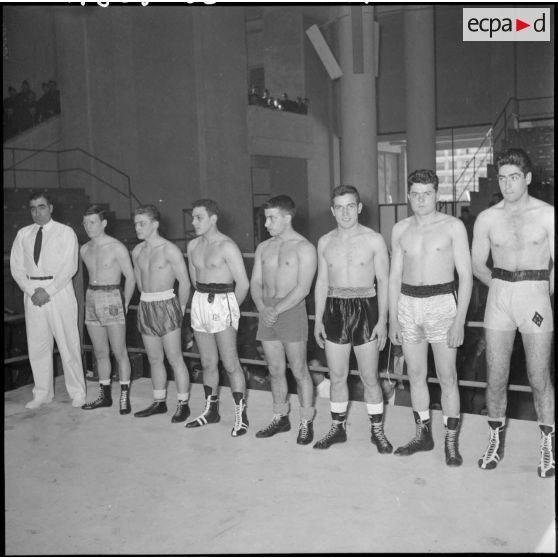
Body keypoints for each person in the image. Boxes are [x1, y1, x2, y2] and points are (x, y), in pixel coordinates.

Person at [472, 148, 554, 478]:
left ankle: (548, 446)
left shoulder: (547, 214)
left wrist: (541, 293)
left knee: (538, 377)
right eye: (502, 178)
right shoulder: (488, 218)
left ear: (528, 178)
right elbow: (478, 264)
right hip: (500, 294)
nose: (507, 184)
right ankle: (494, 440)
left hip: (535, 293)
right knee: (495, 376)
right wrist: (501, 288)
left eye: (514, 178)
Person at [389, 169, 472, 467]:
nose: (421, 199)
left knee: (447, 376)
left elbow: (466, 275)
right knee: (415, 375)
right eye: (415, 194)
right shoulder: (400, 229)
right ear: (408, 195)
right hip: (408, 303)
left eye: (427, 194)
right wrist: (393, 320)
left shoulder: (453, 227)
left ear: (437, 194)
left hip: (442, 303)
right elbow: (394, 276)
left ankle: (451, 442)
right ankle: (422, 434)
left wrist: (460, 320)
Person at [313, 185, 391, 451]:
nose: (345, 212)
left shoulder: (374, 239)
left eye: (350, 206)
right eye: (339, 207)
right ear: (332, 211)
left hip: (366, 307)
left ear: (359, 207)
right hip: (334, 308)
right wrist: (318, 320)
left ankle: (377, 431)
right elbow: (322, 281)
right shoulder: (324, 241)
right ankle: (337, 429)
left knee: (370, 376)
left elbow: (384, 280)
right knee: (337, 376)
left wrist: (383, 320)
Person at [250, 195, 317, 444]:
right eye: (266, 218)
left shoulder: (304, 247)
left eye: (271, 218)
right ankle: (280, 417)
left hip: (290, 311)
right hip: (267, 310)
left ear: (287, 218)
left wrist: (276, 310)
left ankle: (306, 420)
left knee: (299, 370)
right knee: (275, 369)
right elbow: (256, 282)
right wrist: (261, 307)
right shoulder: (263, 248)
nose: (266, 224)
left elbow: (303, 288)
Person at [10, 191, 87, 409]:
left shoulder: (65, 232)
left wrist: (49, 291)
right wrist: (29, 289)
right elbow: (16, 267)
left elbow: (69, 267)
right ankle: (42, 393)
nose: (37, 212)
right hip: (32, 291)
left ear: (51, 208)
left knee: (67, 342)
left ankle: (77, 392)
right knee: (37, 345)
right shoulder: (23, 234)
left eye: (41, 207)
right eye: (33, 208)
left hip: (58, 290)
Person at [185, 199, 250, 437]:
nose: (193, 222)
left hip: (223, 302)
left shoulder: (227, 246)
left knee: (231, 363)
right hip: (201, 300)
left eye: (198, 217)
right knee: (208, 363)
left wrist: (229, 309)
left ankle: (241, 416)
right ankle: (211, 411)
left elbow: (243, 284)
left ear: (213, 219)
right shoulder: (193, 246)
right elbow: (195, 280)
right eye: (193, 217)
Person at [131, 205, 191, 423]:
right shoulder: (137, 251)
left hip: (167, 304)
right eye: (136, 223)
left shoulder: (169, 250)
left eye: (142, 223)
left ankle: (183, 404)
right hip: (147, 304)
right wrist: (147, 300)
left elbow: (185, 282)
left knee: (175, 358)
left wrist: (180, 309)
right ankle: (159, 401)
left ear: (154, 225)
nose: (137, 227)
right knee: (154, 358)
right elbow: (139, 280)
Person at [80, 205, 136, 414]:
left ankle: (123, 395)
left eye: (92, 222)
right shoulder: (84, 249)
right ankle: (105, 395)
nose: (88, 226)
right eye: (85, 223)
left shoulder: (116, 247)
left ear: (103, 223)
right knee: (100, 351)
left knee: (119, 351)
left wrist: (125, 303)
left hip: (112, 296)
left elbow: (130, 277)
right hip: (92, 296)